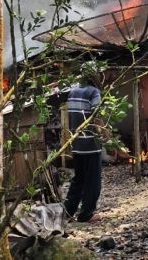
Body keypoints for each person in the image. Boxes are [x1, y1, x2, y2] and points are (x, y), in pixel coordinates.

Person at [64, 63, 103, 222]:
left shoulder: (72, 91)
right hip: (91, 144)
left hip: (76, 143)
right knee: (93, 179)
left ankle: (68, 212)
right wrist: (105, 136)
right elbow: (97, 117)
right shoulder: (94, 92)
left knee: (78, 178)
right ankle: (87, 213)